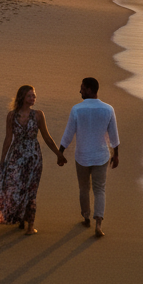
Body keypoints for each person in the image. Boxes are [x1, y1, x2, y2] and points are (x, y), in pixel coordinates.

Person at [0, 84, 66, 234]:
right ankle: (19, 218)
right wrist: (3, 159)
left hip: (33, 158)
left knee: (30, 189)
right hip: (15, 156)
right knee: (14, 188)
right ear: (22, 97)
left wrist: (58, 154)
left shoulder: (38, 115)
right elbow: (8, 138)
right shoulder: (11, 116)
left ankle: (29, 226)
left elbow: (47, 137)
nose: (33, 98)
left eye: (34, 95)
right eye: (30, 95)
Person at [58, 77, 119, 237]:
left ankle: (86, 217)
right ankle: (98, 224)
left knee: (84, 188)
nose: (80, 91)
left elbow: (68, 134)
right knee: (100, 189)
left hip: (82, 156)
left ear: (90, 90)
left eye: (82, 88)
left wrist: (60, 152)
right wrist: (116, 155)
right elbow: (114, 136)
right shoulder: (108, 109)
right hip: (101, 156)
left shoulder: (77, 109)